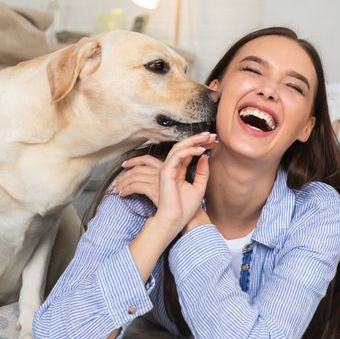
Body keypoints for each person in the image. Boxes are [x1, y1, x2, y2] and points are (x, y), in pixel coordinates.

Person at [33, 26, 340, 339]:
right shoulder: (145, 180)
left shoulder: (320, 211)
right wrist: (163, 222)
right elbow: (59, 332)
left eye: (293, 87)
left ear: (306, 127)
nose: (269, 90)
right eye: (252, 70)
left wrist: (192, 221)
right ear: (215, 92)